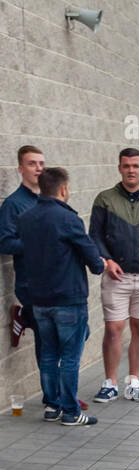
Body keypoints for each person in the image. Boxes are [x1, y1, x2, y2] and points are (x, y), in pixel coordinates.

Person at [17, 166, 104, 425]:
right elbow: (94, 261)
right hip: (68, 298)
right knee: (69, 357)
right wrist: (98, 262)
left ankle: (52, 406)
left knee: (48, 354)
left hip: (39, 299)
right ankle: (70, 411)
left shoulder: (26, 218)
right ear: (63, 189)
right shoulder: (68, 219)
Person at [89, 148, 139, 405]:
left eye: (135, 166)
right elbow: (95, 236)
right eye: (126, 166)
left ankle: (134, 382)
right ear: (119, 168)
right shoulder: (105, 199)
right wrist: (108, 260)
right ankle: (110, 383)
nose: (131, 170)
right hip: (117, 276)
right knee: (114, 328)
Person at [0, 145, 46, 384]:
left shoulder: (49, 200)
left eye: (41, 163)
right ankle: (55, 397)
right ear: (20, 169)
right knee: (46, 339)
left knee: (68, 335)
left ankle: (24, 317)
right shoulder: (13, 204)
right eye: (32, 163)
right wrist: (35, 244)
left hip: (54, 281)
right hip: (30, 283)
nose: (38, 168)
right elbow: (5, 242)